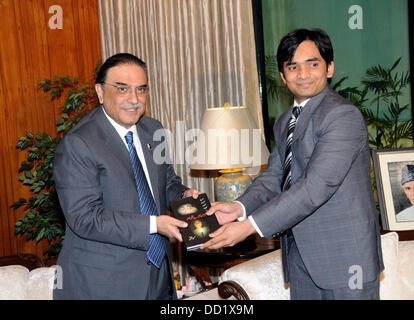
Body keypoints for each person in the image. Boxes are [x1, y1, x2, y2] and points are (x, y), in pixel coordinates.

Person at [202, 29, 384, 300]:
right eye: (293, 66)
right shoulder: (285, 120)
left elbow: (316, 186)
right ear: (284, 76)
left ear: (329, 68)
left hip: (345, 262)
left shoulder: (342, 116)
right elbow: (275, 176)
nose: (303, 74)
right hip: (300, 258)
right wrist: (239, 207)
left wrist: (250, 225)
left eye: (313, 64)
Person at [53, 53, 200, 300]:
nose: (134, 99)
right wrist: (155, 224)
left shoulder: (154, 130)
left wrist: (184, 195)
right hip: (103, 283)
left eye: (141, 90)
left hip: (157, 276)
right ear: (100, 92)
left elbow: (166, 183)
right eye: (122, 89)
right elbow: (86, 218)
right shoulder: (78, 144)